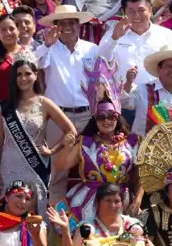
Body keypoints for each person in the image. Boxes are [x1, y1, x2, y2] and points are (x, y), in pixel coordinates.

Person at [54, 57, 140, 233]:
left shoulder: (132, 142)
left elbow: (141, 176)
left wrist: (138, 199)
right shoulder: (85, 142)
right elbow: (61, 164)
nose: (106, 121)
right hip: (88, 202)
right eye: (101, 117)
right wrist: (68, 146)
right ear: (95, 118)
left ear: (117, 117)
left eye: (111, 116)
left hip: (120, 200)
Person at [0, 56, 76, 216]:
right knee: (10, 210)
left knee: (35, 211)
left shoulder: (44, 103)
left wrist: (53, 150)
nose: (23, 78)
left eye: (27, 73)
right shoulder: (4, 106)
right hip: (9, 166)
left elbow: (71, 130)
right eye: (19, 74)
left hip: (35, 166)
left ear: (35, 75)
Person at [35, 5, 98, 203]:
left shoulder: (92, 49)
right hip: (58, 117)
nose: (67, 26)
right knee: (57, 172)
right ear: (55, 26)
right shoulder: (47, 49)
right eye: (62, 22)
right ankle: (55, 222)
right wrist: (46, 44)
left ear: (79, 25)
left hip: (88, 115)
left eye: (72, 22)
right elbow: (33, 64)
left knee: (92, 168)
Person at [97, 0, 172, 124]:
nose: (136, 16)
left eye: (141, 10)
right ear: (124, 13)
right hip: (123, 103)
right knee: (124, 143)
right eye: (131, 11)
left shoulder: (165, 35)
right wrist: (114, 38)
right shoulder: (114, 33)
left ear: (150, 10)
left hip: (159, 103)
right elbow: (100, 60)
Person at [123, 46, 172, 137]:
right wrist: (128, 82)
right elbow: (125, 103)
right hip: (142, 148)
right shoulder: (143, 90)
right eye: (169, 66)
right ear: (159, 69)